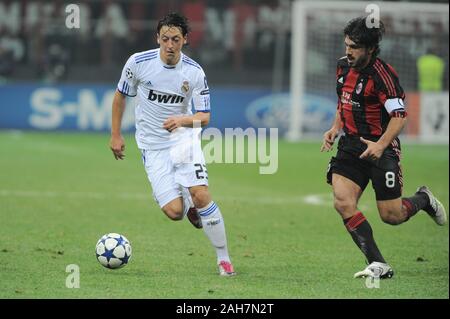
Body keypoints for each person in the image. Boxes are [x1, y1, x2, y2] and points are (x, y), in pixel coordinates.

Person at [110, 12, 235, 276]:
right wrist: (116, 134)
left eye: (175, 39)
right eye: (165, 38)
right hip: (152, 146)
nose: (169, 44)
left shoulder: (194, 72)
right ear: (157, 38)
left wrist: (183, 120)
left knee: (201, 193)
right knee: (175, 211)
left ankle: (224, 260)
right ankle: (189, 208)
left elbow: (204, 117)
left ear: (185, 40)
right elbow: (121, 96)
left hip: (183, 139)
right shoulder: (138, 63)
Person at [321, 16, 447, 279]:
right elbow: (343, 101)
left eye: (354, 47)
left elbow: (400, 116)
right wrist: (335, 128)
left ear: (370, 49)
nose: (348, 51)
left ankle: (423, 199)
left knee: (392, 215)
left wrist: (381, 145)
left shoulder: (383, 76)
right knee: (343, 202)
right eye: (347, 45)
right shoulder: (342, 67)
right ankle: (378, 263)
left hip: (382, 147)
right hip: (351, 146)